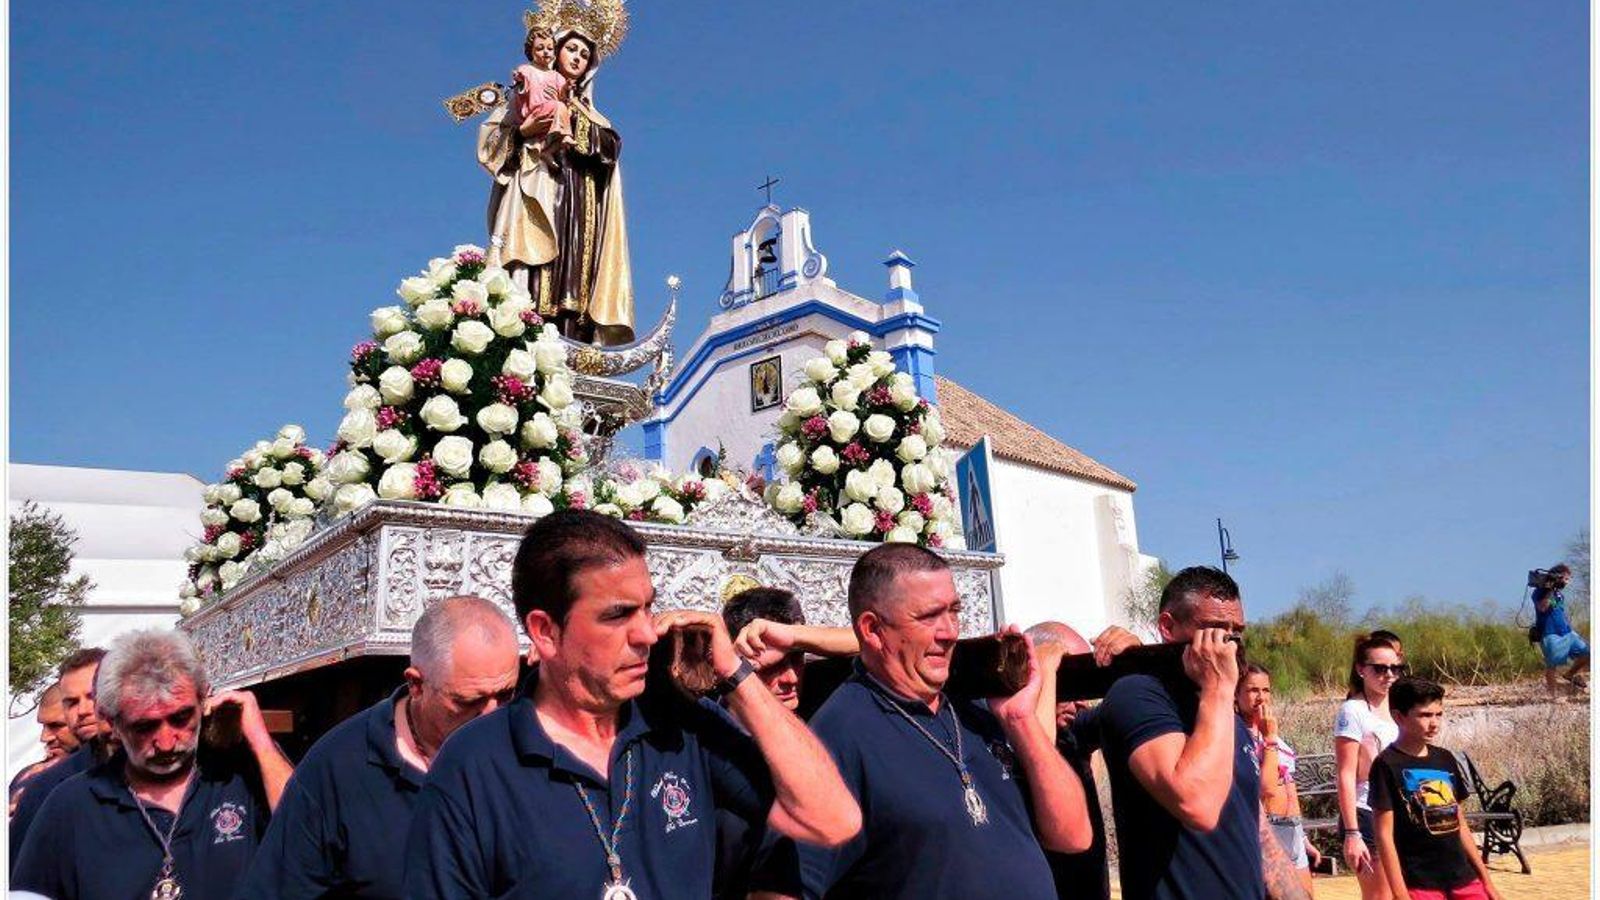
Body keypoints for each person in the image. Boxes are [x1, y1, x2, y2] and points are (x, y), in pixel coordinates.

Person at [404, 510, 860, 898]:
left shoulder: (684, 731)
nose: (645, 633)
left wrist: (738, 675)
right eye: (618, 614)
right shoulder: (474, 765)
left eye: (647, 608)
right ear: (545, 631)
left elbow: (832, 820)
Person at [777, 543, 1093, 899]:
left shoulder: (977, 713)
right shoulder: (836, 738)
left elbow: (1073, 835)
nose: (950, 632)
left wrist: (1021, 721)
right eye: (929, 616)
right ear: (872, 629)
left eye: (953, 611)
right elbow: (781, 889)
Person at [239, 595, 521, 899]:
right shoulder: (339, 767)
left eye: (506, 695)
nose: (493, 716)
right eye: (469, 702)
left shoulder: (535, 747)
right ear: (416, 684)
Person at [12, 629, 294, 900]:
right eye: (145, 726)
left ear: (203, 699)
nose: (167, 742)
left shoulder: (240, 776)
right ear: (111, 722)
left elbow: (308, 838)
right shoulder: (71, 805)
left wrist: (260, 740)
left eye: (181, 718)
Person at [1096, 566, 1309, 900]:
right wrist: (1219, 689)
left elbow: (1254, 826)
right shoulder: (1138, 695)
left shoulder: (1224, 714)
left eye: (1236, 632)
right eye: (1214, 630)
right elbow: (1197, 805)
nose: (1229, 645)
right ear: (1168, 627)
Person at [1371, 678, 1504, 900]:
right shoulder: (1386, 765)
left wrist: (1487, 881)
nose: (1434, 723)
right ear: (1398, 716)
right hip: (1420, 884)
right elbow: (1384, 836)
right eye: (1424, 715)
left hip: (1464, 879)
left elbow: (1460, 823)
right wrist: (1400, 894)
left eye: (1438, 714)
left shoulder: (1445, 759)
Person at [1027, 620, 1113, 900]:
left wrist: (1132, 658)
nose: (1081, 702)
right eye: (1068, 682)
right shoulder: (995, 734)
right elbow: (1036, 748)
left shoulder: (1075, 733)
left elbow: (1133, 705)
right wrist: (1047, 673)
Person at [8, 648, 110, 868]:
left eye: (92, 696)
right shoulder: (44, 787)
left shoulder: (177, 768)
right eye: (71, 702)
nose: (83, 710)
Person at [1336, 631, 1406, 900]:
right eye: (1379, 669)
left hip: (1398, 811)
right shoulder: (1353, 711)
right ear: (1361, 670)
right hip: (1366, 812)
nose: (1388, 675)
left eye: (1395, 668)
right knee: (1380, 895)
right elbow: (1344, 774)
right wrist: (1352, 832)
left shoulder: (1400, 708)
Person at [1238, 663, 1316, 896]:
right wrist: (1269, 738)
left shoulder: (1273, 734)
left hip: (1290, 828)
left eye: (1266, 690)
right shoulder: (1239, 736)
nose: (1261, 697)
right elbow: (1267, 789)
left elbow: (1289, 787)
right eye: (1253, 690)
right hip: (1265, 831)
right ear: (1236, 693)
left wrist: (1302, 835)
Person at [511, 26, 574, 159]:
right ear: (531, 51)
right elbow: (521, 90)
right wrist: (520, 79)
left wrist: (567, 88)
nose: (546, 52)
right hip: (534, 113)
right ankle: (566, 136)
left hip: (552, 116)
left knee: (564, 111)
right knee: (560, 108)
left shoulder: (557, 77)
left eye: (550, 49)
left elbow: (563, 96)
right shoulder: (527, 70)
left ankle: (548, 151)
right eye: (540, 48)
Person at [1531, 564, 1589, 695]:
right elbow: (1542, 607)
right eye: (1566, 579)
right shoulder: (1540, 592)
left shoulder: (1559, 594)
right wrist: (1549, 589)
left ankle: (1570, 675)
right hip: (1550, 634)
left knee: (1587, 653)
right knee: (1552, 666)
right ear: (1558, 578)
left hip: (1567, 632)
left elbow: (1560, 611)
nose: (1567, 582)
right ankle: (1553, 696)